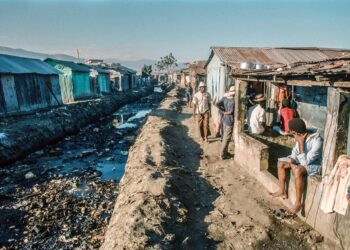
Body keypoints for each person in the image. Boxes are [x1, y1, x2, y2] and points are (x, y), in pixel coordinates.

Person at [270, 118, 323, 215]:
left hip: (315, 165)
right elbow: (294, 153)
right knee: (280, 163)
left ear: (295, 132)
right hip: (303, 161)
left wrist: (301, 144)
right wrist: (292, 161)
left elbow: (306, 162)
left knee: (298, 171)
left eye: (292, 133)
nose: (292, 134)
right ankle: (282, 191)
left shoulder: (317, 141)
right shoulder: (299, 136)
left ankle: (298, 203)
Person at [216, 86, 235, 159]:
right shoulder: (233, 101)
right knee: (226, 138)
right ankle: (222, 154)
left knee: (225, 137)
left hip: (224, 119)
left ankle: (225, 152)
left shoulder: (224, 98)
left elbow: (217, 104)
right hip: (230, 120)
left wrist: (223, 111)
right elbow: (231, 111)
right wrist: (227, 112)